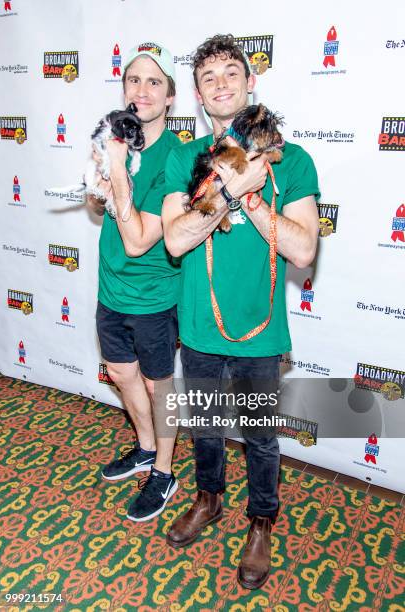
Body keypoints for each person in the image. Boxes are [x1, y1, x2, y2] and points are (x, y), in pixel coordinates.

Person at [162, 34, 320, 589]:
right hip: (200, 327)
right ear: (199, 96)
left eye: (232, 72)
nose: (221, 84)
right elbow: (176, 240)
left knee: (258, 435)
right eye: (209, 78)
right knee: (204, 426)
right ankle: (208, 499)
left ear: (251, 81)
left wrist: (251, 193)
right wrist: (227, 193)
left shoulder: (291, 159)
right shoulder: (184, 158)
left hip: (260, 332)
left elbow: (303, 250)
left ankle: (261, 523)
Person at [88, 42, 181, 522]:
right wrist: (100, 183)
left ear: (170, 98)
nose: (140, 90)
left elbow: (140, 241)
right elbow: (98, 207)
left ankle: (164, 471)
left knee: (158, 384)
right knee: (122, 375)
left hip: (153, 295)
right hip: (110, 289)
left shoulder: (179, 158)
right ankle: (145, 448)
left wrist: (118, 169)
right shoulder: (115, 138)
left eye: (153, 82)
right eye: (133, 80)